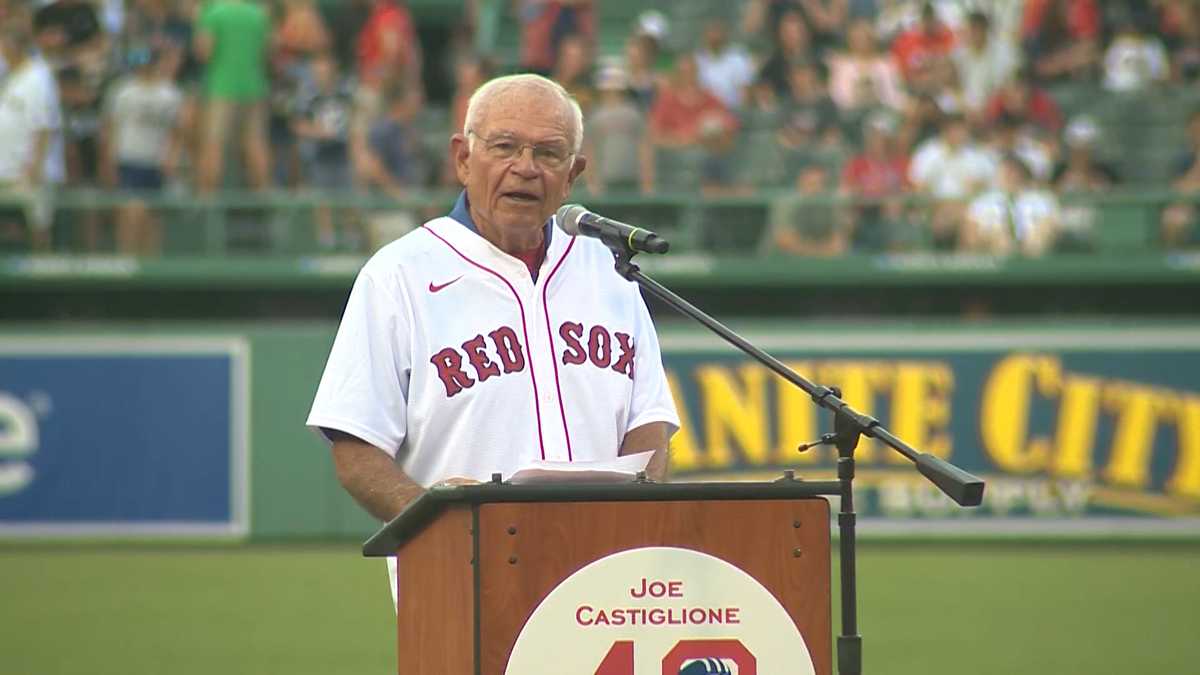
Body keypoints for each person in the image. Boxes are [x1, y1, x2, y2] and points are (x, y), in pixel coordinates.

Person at [307, 73, 680, 608]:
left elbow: (649, 424)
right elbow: (356, 448)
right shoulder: (400, 273)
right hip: (459, 586)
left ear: (573, 175)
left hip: (601, 587)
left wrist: (626, 527)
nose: (525, 167)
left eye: (549, 153)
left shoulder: (610, 271)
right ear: (462, 158)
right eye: (504, 146)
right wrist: (442, 524)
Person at [100, 46, 185, 256]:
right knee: (131, 213)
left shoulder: (170, 94)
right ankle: (126, 259)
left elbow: (178, 131)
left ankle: (151, 264)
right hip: (129, 158)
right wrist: (109, 160)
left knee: (153, 219)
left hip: (155, 161)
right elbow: (110, 127)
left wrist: (171, 158)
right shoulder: (122, 91)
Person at [193, 0, 271, 192]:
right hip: (255, 87)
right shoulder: (259, 14)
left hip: (221, 87)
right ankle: (264, 194)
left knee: (213, 144)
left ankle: (207, 199)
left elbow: (204, 52)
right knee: (256, 142)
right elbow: (267, 51)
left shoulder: (212, 12)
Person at [0, 27, 64, 251]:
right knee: (12, 231)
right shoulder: (12, 76)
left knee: (38, 229)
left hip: (31, 172)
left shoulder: (38, 77)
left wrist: (34, 169)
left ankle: (42, 279)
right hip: (9, 170)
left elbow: (44, 126)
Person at [963, 154, 1060, 256]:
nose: (1009, 175)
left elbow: (1054, 224)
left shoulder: (1042, 198)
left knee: (1039, 233)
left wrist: (1037, 232)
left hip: (1034, 243)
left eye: (1013, 171)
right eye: (1005, 171)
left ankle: (1030, 263)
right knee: (999, 236)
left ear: (1022, 174)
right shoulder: (983, 200)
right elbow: (970, 231)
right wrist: (990, 234)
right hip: (992, 245)